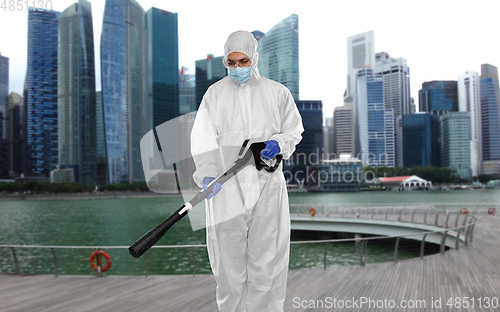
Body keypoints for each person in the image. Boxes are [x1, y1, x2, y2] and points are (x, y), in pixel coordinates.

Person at [190, 30, 304, 312]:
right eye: (232, 63)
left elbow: (294, 129)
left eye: (243, 61)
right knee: (228, 270)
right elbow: (202, 139)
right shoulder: (214, 95)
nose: (238, 68)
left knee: (267, 265)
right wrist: (206, 173)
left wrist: (278, 142)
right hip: (225, 188)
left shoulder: (277, 92)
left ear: (254, 58)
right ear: (225, 62)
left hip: (267, 186)